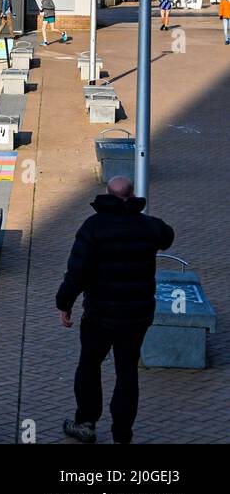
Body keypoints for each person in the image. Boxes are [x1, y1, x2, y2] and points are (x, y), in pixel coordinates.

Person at [56, 177, 175, 445]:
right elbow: (168, 236)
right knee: (127, 372)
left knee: (89, 365)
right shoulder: (148, 226)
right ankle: (122, 435)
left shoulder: (93, 227)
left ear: (107, 194)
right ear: (131, 195)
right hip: (136, 316)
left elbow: (77, 271)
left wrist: (64, 303)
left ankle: (85, 423)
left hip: (99, 314)